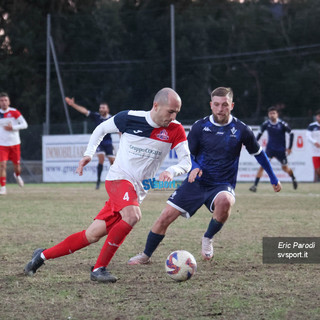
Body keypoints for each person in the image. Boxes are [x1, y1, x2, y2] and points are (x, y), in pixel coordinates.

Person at [24, 88, 191, 283]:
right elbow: (101, 129)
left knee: (92, 235)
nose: (173, 116)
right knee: (133, 215)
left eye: (176, 112)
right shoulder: (129, 118)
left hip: (137, 191)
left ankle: (42, 255)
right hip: (118, 180)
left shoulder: (175, 129)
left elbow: (186, 162)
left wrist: (171, 171)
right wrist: (88, 153)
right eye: (170, 111)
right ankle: (99, 269)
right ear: (156, 106)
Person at [128, 87, 281, 265]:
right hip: (196, 182)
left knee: (226, 201)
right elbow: (188, 156)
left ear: (231, 105)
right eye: (216, 104)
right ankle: (146, 255)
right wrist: (195, 167)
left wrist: (273, 178)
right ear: (211, 105)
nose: (220, 109)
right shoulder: (200, 127)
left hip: (222, 184)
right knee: (165, 217)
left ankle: (207, 238)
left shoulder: (241, 129)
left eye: (224, 105)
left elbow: (259, 154)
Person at [65, 97, 115, 189]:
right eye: (100, 108)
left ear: (107, 109)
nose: (101, 109)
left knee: (113, 162)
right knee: (101, 159)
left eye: (103, 108)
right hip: (99, 143)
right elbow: (84, 111)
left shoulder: (112, 118)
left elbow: (120, 129)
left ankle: (116, 181)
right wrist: (73, 104)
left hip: (108, 142)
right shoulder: (96, 116)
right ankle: (98, 182)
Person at [249, 106, 297, 192]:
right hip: (270, 150)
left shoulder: (282, 124)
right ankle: (255, 186)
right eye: (270, 113)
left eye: (274, 113)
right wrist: (253, 144)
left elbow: (292, 133)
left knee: (285, 168)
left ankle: (293, 178)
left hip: (281, 151)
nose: (272, 115)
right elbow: (259, 134)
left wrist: (289, 148)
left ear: (277, 114)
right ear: (268, 114)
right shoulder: (266, 124)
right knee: (262, 166)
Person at [0, 92, 28, 195]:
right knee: (2, 165)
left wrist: (13, 128)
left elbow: (25, 125)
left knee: (17, 167)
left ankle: (17, 175)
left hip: (15, 144)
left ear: (9, 102)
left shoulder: (15, 112)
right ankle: (3, 188)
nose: (4, 102)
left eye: (5, 100)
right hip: (2, 145)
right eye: (1, 100)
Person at [306, 109, 320, 181]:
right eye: (319, 116)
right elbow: (308, 136)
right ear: (316, 117)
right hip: (315, 152)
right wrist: (314, 142)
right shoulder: (312, 126)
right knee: (317, 169)